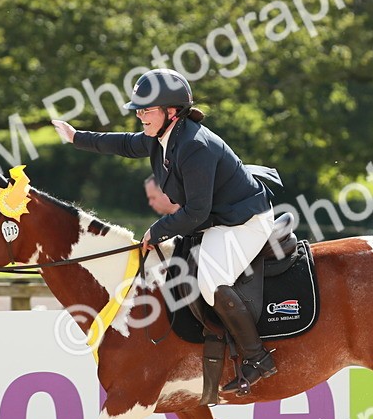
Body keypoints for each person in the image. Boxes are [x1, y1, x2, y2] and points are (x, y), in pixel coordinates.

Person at [52, 68, 278, 394]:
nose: (139, 115)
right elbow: (126, 145)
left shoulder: (194, 146)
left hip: (246, 222)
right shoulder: (165, 137)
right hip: (219, 219)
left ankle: (257, 358)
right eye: (139, 110)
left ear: (171, 112)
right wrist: (77, 137)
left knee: (210, 279)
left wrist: (157, 230)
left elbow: (196, 211)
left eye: (146, 109)